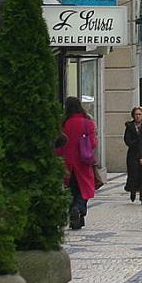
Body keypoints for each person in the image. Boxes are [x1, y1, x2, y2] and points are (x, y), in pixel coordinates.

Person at [57, 97, 97, 230]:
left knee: (71, 190)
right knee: (84, 190)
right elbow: (92, 143)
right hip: (83, 161)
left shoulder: (64, 124)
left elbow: (58, 146)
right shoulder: (87, 123)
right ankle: (78, 208)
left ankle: (76, 218)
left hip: (67, 162)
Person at [124, 106, 142, 204]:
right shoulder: (130, 126)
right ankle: (133, 190)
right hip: (133, 154)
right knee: (133, 173)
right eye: (136, 114)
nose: (138, 116)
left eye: (139, 114)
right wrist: (137, 142)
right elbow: (127, 140)